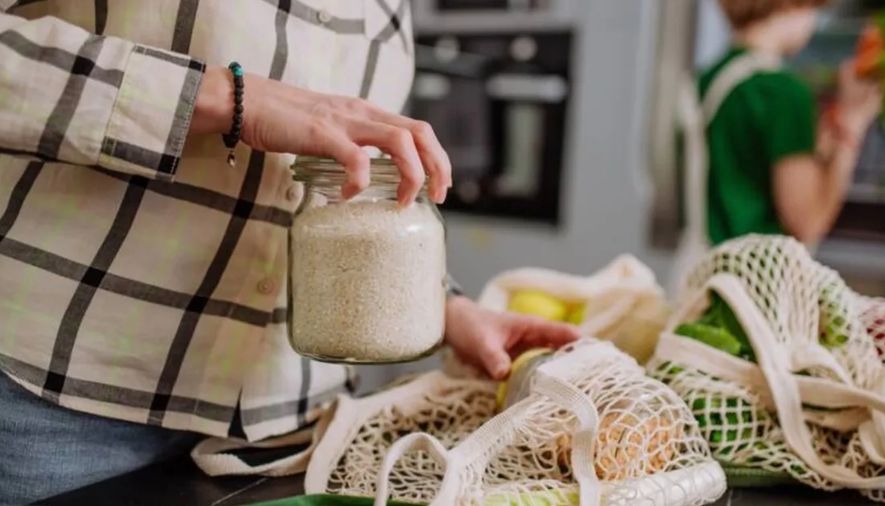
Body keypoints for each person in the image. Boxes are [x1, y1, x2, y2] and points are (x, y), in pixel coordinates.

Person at [0, 2, 579, 503]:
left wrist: (443, 305)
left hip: (300, 424)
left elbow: (357, 194)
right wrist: (228, 98)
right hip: (59, 396)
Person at [701, 0, 883, 246]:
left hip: (704, 269)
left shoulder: (708, 79)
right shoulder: (783, 92)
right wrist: (851, 127)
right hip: (756, 274)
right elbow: (807, 223)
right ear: (790, 5)